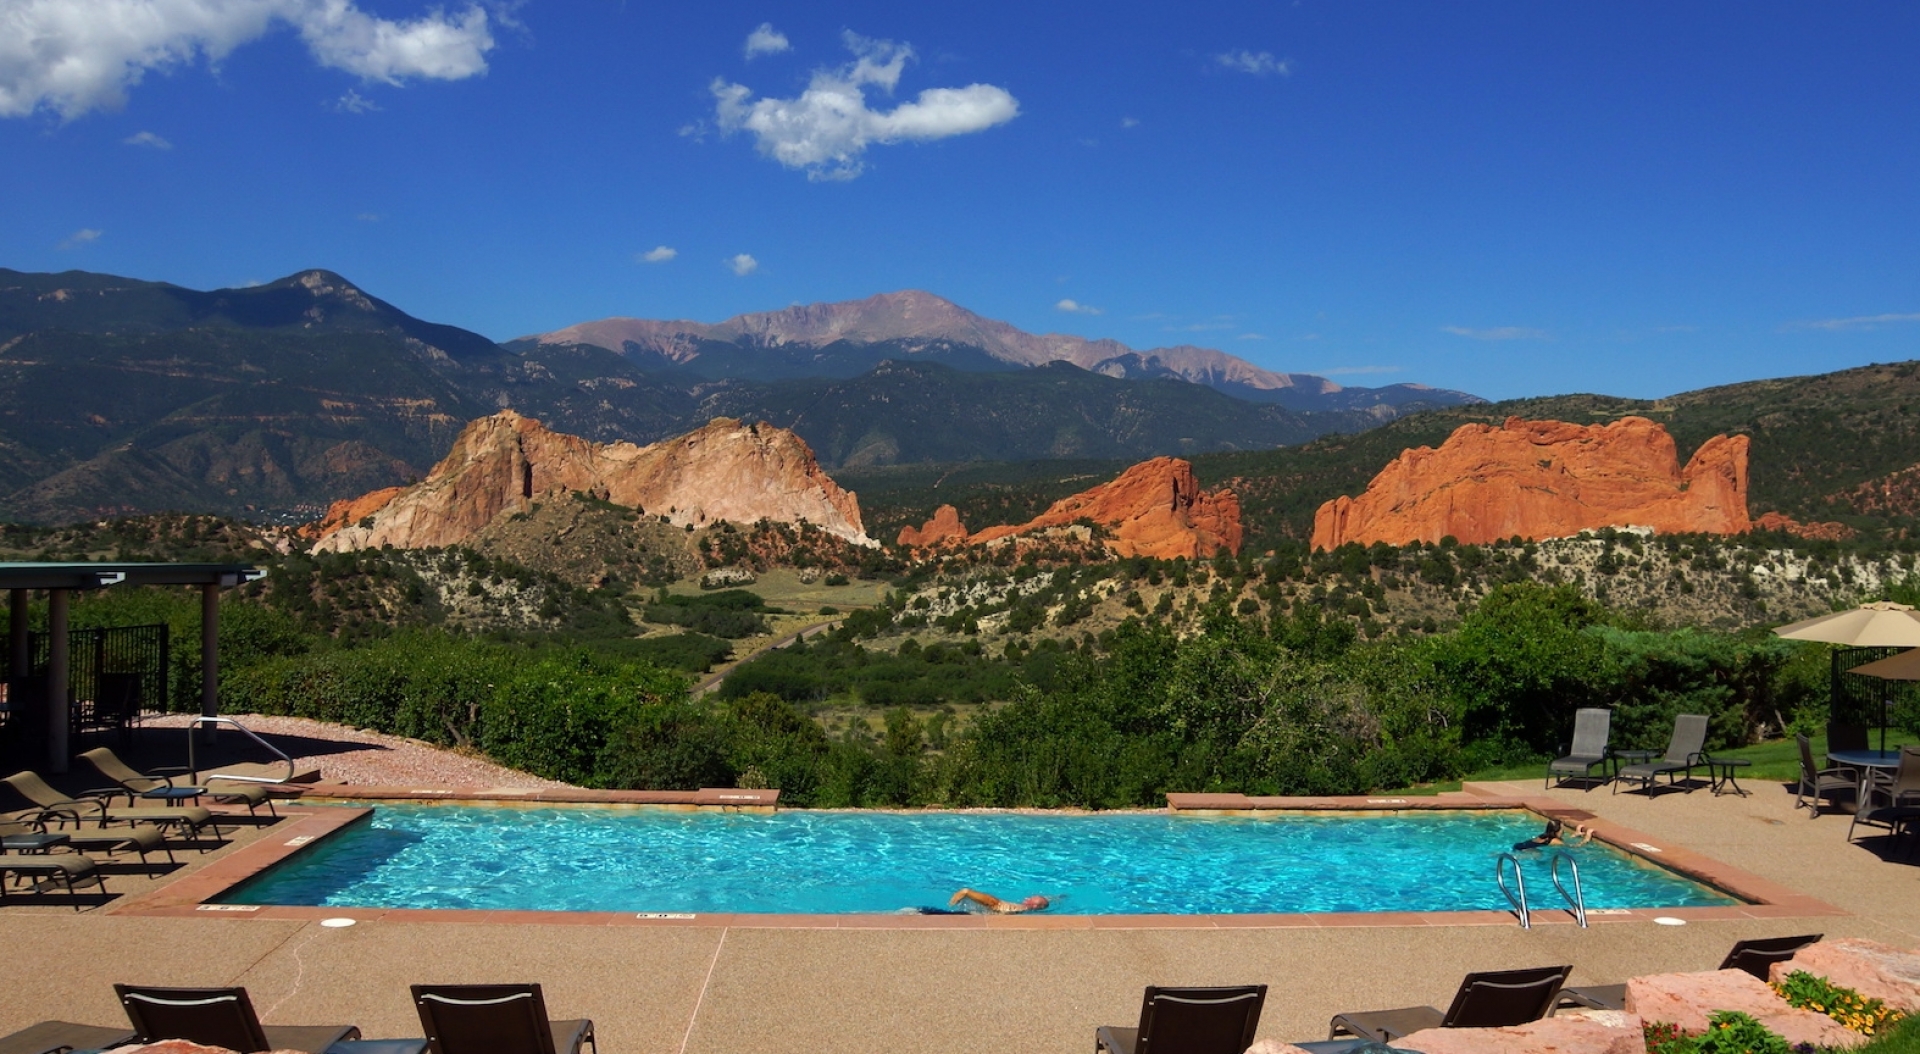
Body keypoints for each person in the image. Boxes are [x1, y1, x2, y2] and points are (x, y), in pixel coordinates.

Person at [1512, 818, 1594, 852]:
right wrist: (1586, 840)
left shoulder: (1544, 835)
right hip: (1525, 852)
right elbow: (1573, 847)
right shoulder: (1554, 841)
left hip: (1519, 846)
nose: (1564, 831)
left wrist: (1575, 834)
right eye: (1562, 829)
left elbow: (1562, 841)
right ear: (1556, 832)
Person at [949, 887, 1050, 914]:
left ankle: (965, 892)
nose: (1026, 898)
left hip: (998, 905)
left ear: (1035, 906)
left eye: (1030, 900)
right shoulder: (1024, 908)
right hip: (997, 905)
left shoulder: (1019, 908)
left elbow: (997, 905)